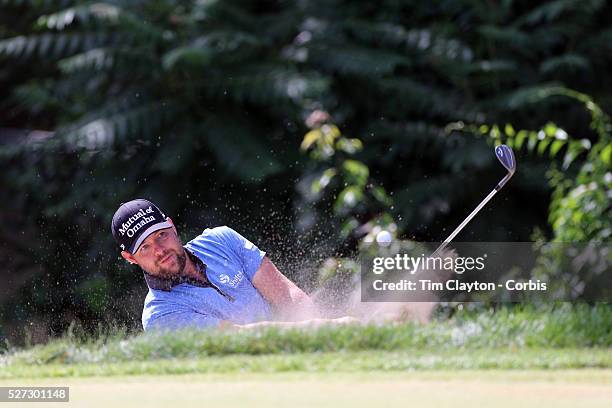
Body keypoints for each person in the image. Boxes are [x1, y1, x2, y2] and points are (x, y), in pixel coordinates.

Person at [111, 198, 354, 331]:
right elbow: (240, 338)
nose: (160, 250)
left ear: (172, 226)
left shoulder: (221, 239)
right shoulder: (159, 315)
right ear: (131, 259)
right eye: (145, 248)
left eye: (161, 235)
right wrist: (317, 328)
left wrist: (323, 334)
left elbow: (287, 295)